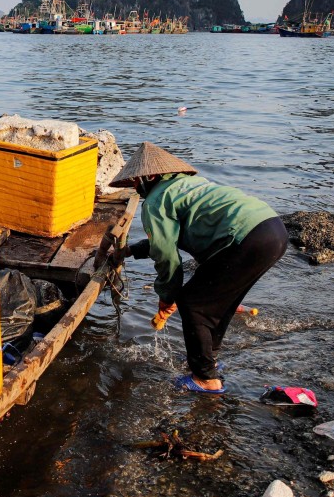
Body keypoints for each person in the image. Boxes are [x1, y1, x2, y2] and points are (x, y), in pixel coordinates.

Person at [110, 142, 288, 394]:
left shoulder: (156, 200)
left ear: (149, 176)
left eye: (136, 183)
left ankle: (205, 378)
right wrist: (129, 250)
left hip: (245, 239)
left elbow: (166, 255)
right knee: (219, 304)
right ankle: (207, 363)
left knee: (193, 304)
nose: (137, 190)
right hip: (272, 229)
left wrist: (167, 296)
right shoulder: (187, 185)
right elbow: (165, 239)